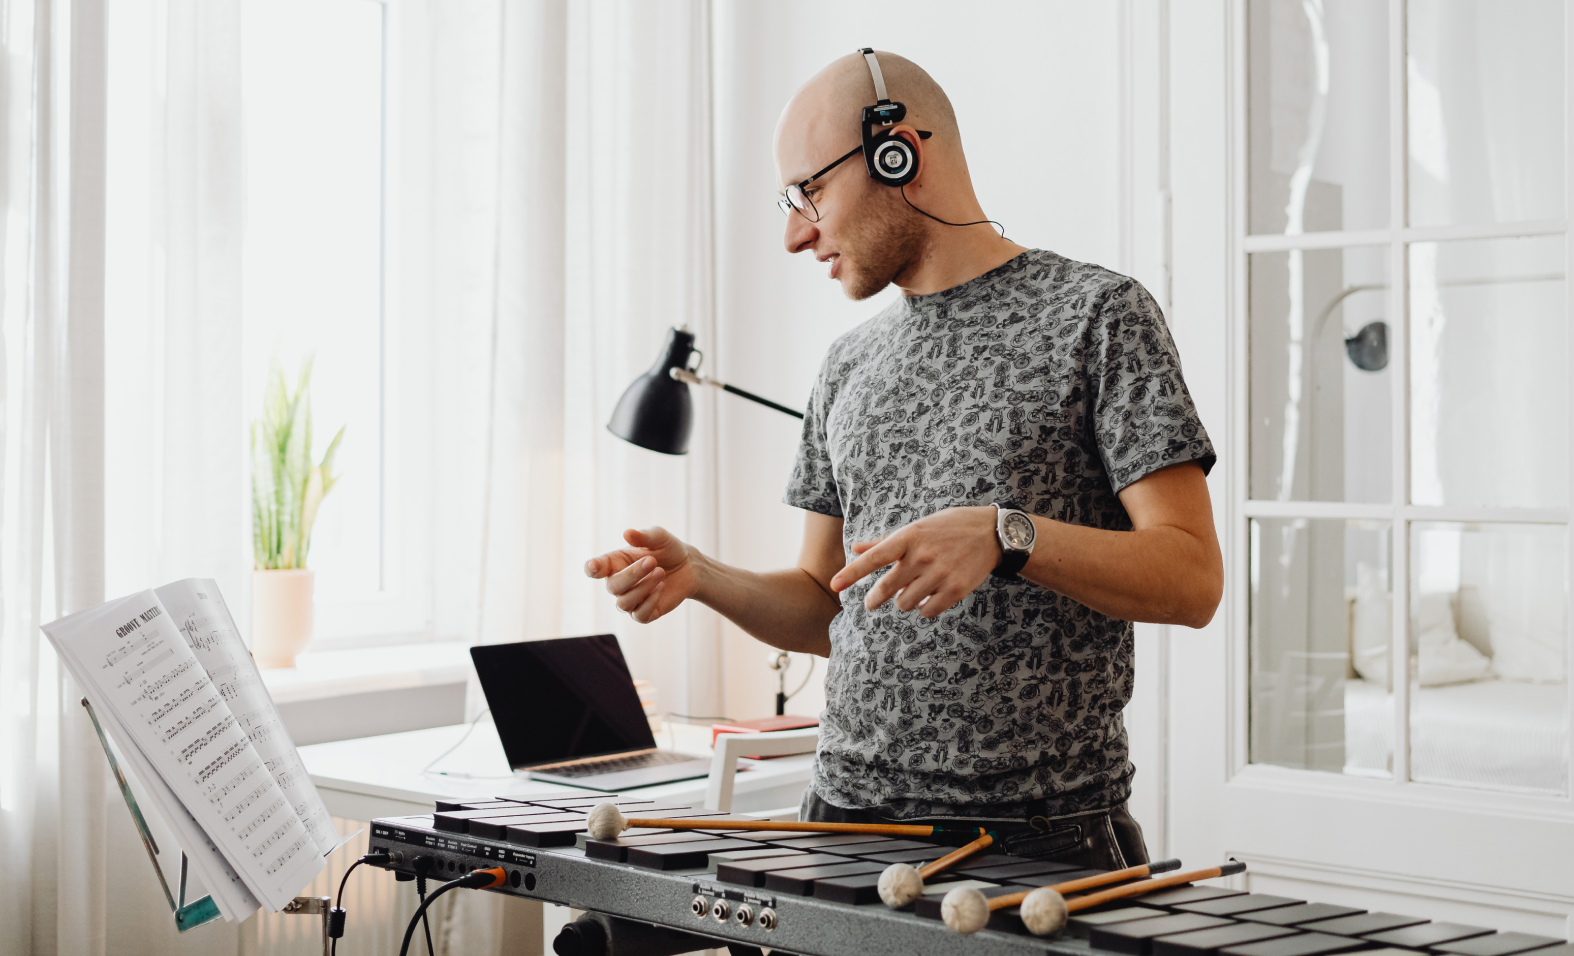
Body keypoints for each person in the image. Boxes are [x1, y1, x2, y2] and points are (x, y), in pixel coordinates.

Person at [584, 50, 1221, 869]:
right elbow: (827, 601)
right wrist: (704, 577)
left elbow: (1193, 577)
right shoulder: (845, 365)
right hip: (841, 822)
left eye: (809, 191)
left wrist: (1006, 535)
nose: (793, 233)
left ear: (900, 153)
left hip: (1038, 844)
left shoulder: (1100, 315)